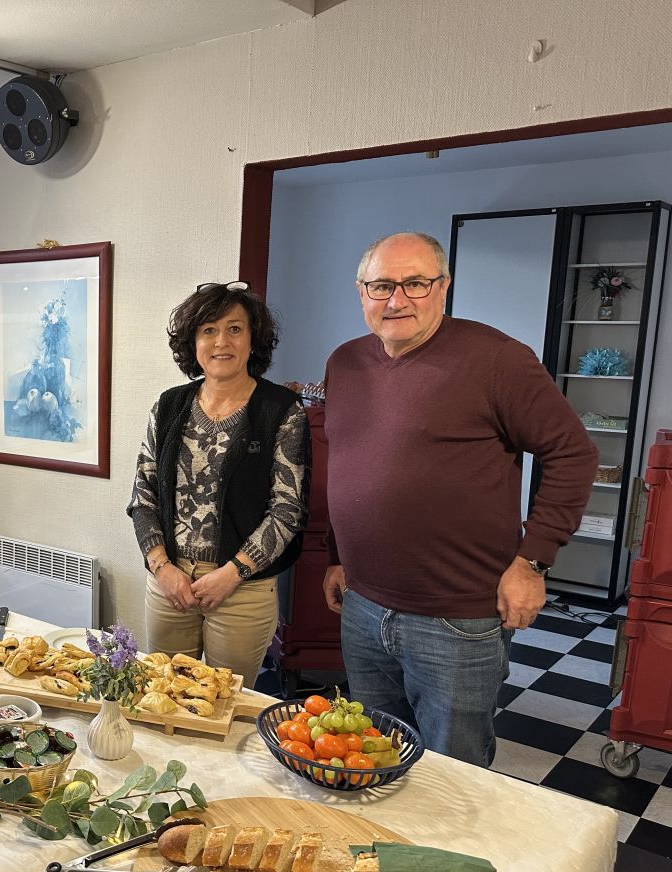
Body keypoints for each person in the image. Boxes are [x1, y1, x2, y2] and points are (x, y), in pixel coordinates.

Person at [321, 232, 597, 768]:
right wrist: (337, 555)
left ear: (443, 287)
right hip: (363, 606)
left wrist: (532, 562)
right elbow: (349, 465)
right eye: (382, 285)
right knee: (369, 759)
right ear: (361, 291)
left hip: (457, 619)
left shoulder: (497, 360)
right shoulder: (345, 363)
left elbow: (573, 453)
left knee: (453, 775)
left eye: (415, 283)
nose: (397, 299)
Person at [128, 281, 310, 681]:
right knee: (164, 697)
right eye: (208, 330)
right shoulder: (169, 405)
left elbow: (288, 509)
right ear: (193, 341)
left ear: (253, 339)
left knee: (229, 703)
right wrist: (162, 568)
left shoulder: (281, 411)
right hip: (170, 584)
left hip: (242, 591)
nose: (221, 341)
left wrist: (233, 573)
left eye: (234, 329)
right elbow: (143, 496)